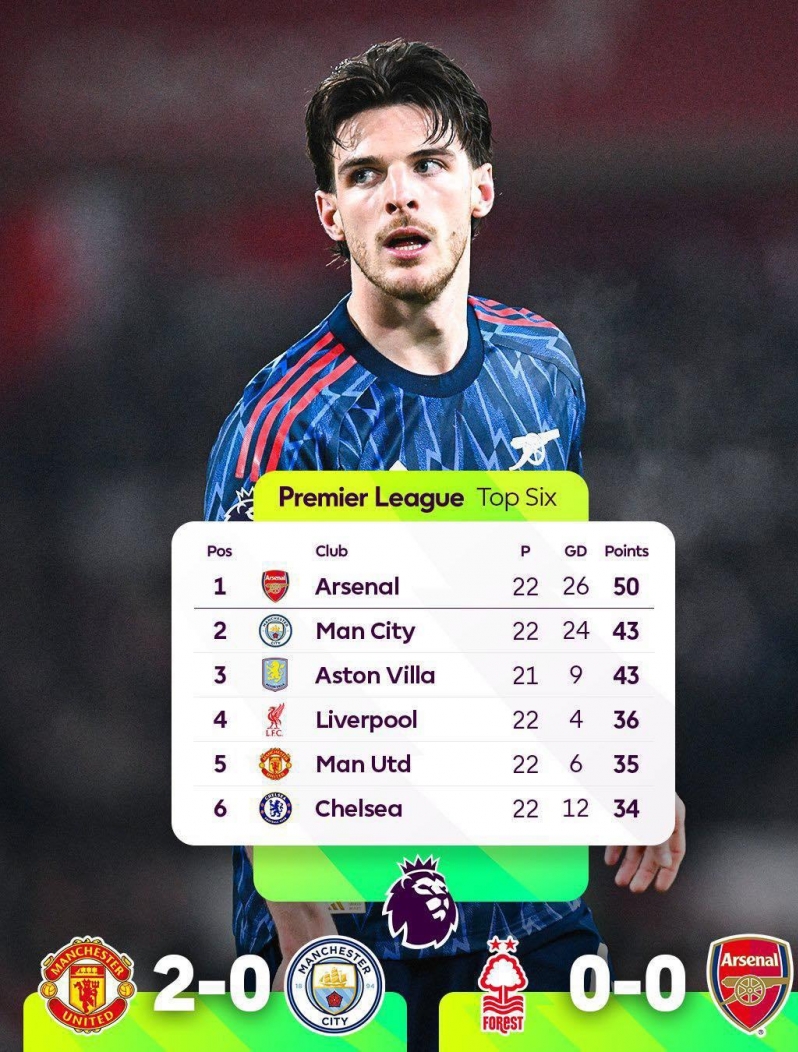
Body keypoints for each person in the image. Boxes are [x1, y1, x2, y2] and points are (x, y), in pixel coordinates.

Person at [204, 39, 686, 1048]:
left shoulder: (542, 366)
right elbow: (245, 696)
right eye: (363, 175)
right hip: (352, 928)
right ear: (330, 214)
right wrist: (305, 941)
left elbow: (550, 600)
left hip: (528, 913)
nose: (399, 196)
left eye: (428, 163)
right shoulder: (286, 425)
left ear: (480, 188)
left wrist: (622, 760)